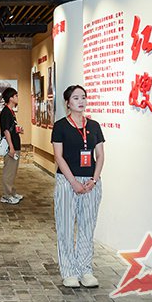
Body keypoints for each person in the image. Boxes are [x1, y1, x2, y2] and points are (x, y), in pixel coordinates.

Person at [51, 85, 105, 289]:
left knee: (87, 228)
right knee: (65, 227)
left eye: (83, 97)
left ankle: (85, 270)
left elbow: (100, 155)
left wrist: (94, 180)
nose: (81, 101)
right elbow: (58, 156)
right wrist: (73, 182)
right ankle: (69, 271)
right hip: (67, 182)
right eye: (76, 98)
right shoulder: (60, 126)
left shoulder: (94, 126)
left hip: (91, 183)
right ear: (67, 102)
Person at [0, 87, 24, 205]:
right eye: (16, 96)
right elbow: (6, 131)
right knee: (9, 171)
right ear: (11, 98)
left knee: (13, 171)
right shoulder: (5, 113)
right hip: (11, 147)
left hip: (15, 145)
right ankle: (6, 195)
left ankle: (11, 192)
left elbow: (11, 128)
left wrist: (18, 130)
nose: (17, 98)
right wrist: (11, 147)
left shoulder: (11, 112)